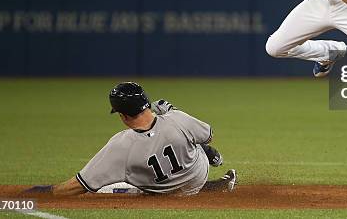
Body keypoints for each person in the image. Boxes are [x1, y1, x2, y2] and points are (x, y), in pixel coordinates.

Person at [25, 82, 236, 195]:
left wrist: (46, 192)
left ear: (122, 115)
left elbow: (80, 185)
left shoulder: (120, 146)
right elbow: (209, 134)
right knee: (192, 138)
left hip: (166, 193)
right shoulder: (177, 118)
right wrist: (173, 112)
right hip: (197, 176)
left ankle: (205, 169)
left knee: (111, 185)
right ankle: (212, 172)